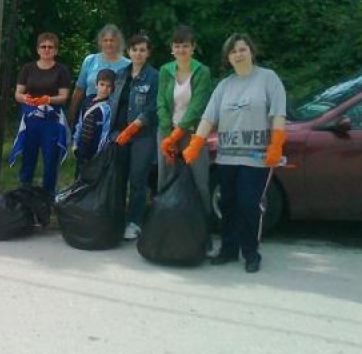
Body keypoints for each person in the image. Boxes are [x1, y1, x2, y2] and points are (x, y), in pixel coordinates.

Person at [182, 33, 287, 273]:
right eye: (233, 51)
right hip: (227, 156)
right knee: (227, 203)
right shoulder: (224, 85)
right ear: (227, 58)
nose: (238, 54)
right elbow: (209, 117)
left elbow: (278, 113)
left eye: (242, 49)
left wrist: (276, 144)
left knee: (248, 204)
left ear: (251, 51)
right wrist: (195, 144)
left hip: (257, 157)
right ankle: (228, 249)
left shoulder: (268, 79)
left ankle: (250, 252)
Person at [8, 32, 72, 196]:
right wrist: (24, 98)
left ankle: (48, 196)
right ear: (38, 49)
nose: (46, 50)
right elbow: (18, 94)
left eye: (50, 47)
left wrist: (48, 99)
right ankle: (24, 194)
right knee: (28, 156)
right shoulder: (27, 68)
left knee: (50, 159)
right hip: (31, 119)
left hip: (51, 120)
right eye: (43, 46)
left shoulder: (61, 70)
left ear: (56, 50)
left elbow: (64, 96)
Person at [156, 25, 213, 209]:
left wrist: (177, 134)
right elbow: (161, 103)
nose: (181, 50)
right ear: (172, 48)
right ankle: (165, 222)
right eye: (177, 46)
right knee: (165, 178)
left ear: (193, 47)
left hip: (193, 133)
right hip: (166, 132)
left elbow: (197, 106)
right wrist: (167, 134)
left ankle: (202, 223)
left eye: (185, 46)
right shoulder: (165, 70)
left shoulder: (202, 72)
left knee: (199, 178)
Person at [108, 33, 159, 240]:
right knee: (118, 179)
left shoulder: (154, 76)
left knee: (137, 180)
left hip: (142, 136)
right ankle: (116, 218)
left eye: (142, 50)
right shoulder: (120, 74)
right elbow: (113, 102)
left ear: (148, 53)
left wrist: (135, 126)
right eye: (134, 49)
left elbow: (153, 107)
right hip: (118, 135)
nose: (138, 53)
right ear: (129, 52)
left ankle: (134, 221)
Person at [67, 23, 130, 126]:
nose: (108, 43)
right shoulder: (90, 60)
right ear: (100, 42)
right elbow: (79, 89)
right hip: (89, 113)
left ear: (118, 42)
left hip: (114, 119)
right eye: (105, 40)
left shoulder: (127, 64)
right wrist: (71, 113)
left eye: (112, 40)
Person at [72, 68, 115, 177]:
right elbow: (80, 123)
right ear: (96, 85)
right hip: (82, 147)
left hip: (95, 150)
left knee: (90, 179)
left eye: (108, 86)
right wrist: (75, 143)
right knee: (78, 177)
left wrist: (99, 154)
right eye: (102, 84)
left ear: (113, 89)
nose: (105, 89)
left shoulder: (108, 108)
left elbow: (105, 133)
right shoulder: (87, 101)